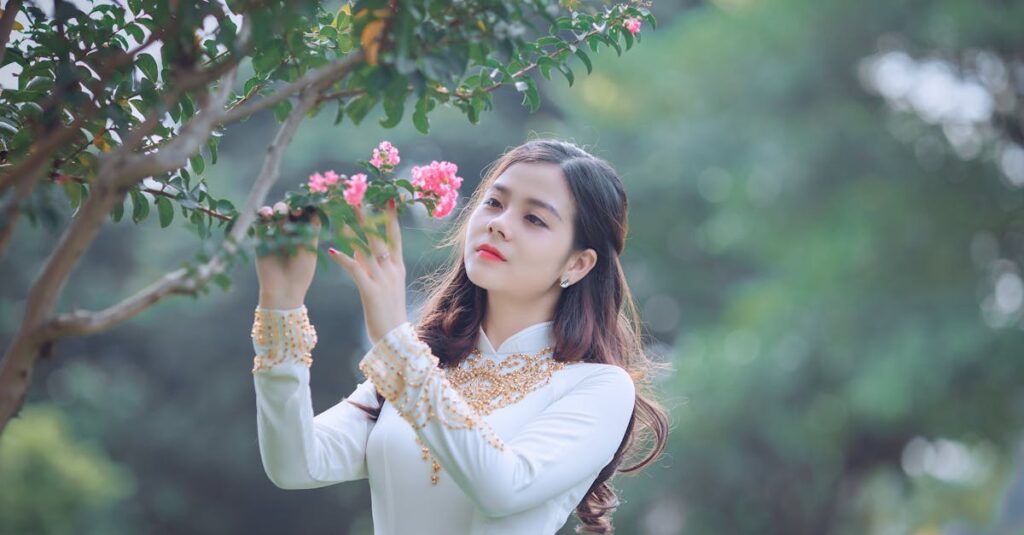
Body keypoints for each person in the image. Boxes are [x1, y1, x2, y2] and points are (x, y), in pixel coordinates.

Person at [251, 138, 668, 534]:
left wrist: (395, 342)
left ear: (577, 264)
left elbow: (503, 488)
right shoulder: (428, 361)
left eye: (534, 218)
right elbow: (296, 463)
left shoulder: (597, 387)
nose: (500, 225)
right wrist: (282, 307)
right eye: (494, 202)